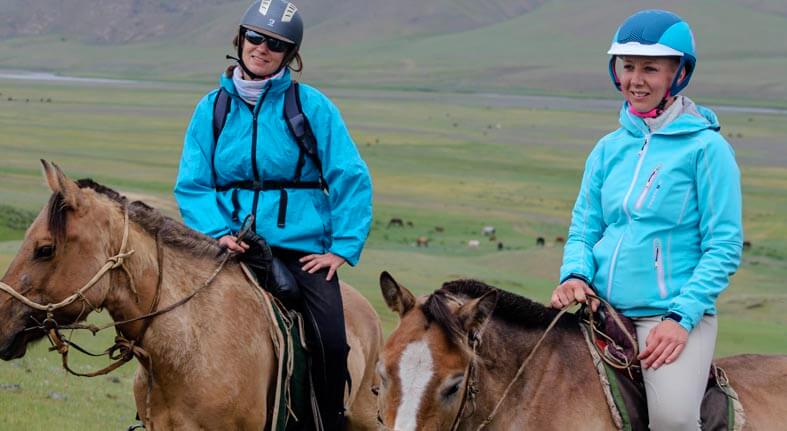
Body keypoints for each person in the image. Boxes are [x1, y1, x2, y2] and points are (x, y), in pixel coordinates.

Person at [174, 1, 372, 429]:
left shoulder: (311, 107)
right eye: (255, 37)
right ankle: (161, 410)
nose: (261, 48)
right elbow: (193, 183)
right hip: (229, 242)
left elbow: (350, 176)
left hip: (301, 248)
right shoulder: (212, 109)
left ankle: (327, 421)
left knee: (332, 343)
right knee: (171, 317)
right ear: (240, 39)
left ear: (290, 55)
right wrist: (216, 231)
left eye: (276, 44)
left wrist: (341, 248)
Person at [551, 9, 742, 430]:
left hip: (668, 316)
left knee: (673, 421)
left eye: (650, 68)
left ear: (679, 73)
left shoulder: (707, 151)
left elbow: (723, 246)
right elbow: (585, 227)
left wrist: (681, 319)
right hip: (601, 309)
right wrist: (574, 275)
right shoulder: (607, 148)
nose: (635, 80)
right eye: (627, 66)